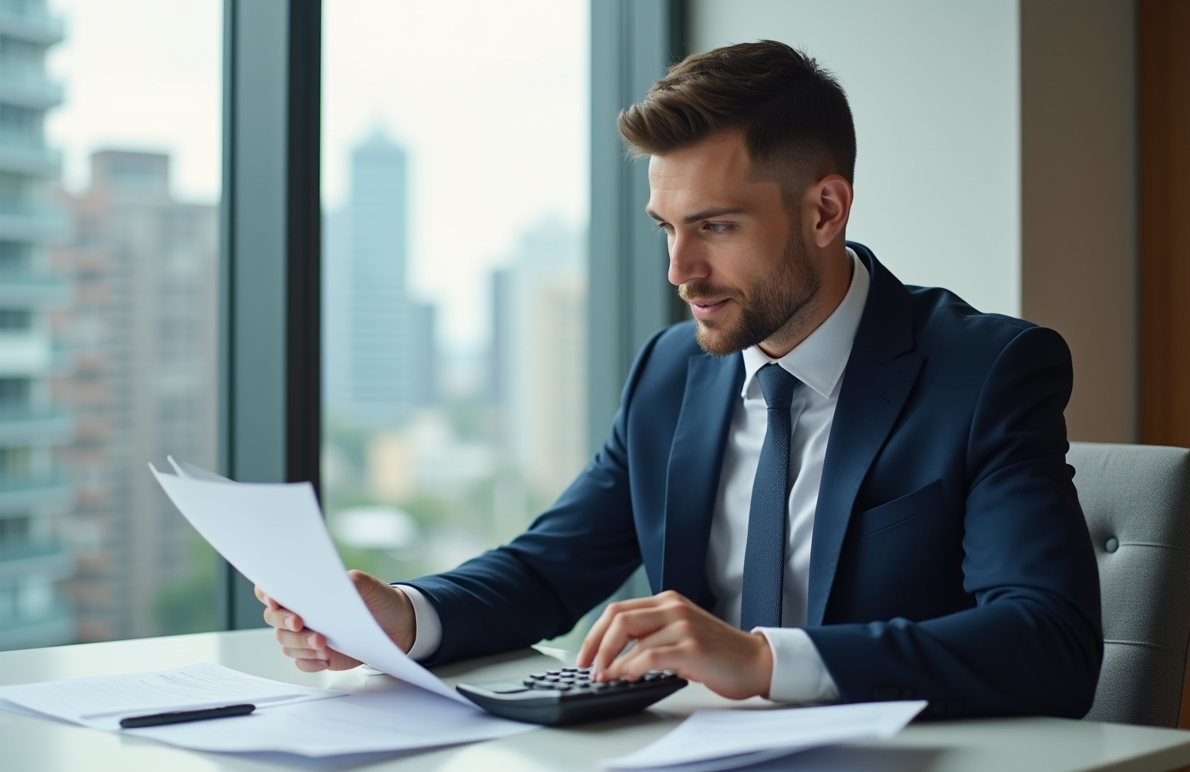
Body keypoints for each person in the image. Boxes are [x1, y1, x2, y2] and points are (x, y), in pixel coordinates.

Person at [258, 40, 1103, 718]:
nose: (681, 269)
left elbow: (1049, 641)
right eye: (667, 228)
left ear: (824, 210)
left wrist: (761, 660)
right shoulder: (670, 372)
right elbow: (551, 570)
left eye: (716, 227)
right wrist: (404, 615)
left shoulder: (985, 371)